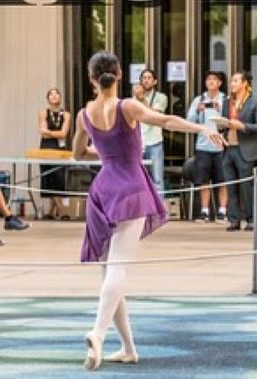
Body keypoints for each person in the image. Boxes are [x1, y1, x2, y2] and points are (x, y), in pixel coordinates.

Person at [73, 51, 226, 371]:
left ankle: (128, 348)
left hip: (103, 188)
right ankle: (98, 334)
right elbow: (166, 121)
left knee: (109, 272)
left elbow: (77, 153)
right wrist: (202, 129)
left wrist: (103, 151)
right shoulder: (127, 106)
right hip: (130, 186)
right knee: (116, 269)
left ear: (90, 78)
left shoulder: (84, 113)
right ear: (119, 75)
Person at [221, 70, 257, 231]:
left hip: (246, 150)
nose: (232, 84)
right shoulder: (228, 101)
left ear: (245, 83)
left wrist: (243, 126)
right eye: (232, 81)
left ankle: (251, 219)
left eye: (235, 81)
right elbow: (225, 123)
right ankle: (233, 219)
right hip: (228, 148)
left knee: (246, 186)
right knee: (231, 187)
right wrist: (221, 126)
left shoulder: (255, 101)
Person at [186, 71, 229, 222]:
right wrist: (198, 110)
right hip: (203, 145)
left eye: (214, 79)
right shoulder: (199, 100)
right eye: (208, 79)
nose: (211, 82)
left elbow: (229, 120)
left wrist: (219, 109)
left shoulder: (225, 99)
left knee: (223, 179)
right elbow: (189, 121)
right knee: (203, 180)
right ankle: (205, 210)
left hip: (221, 145)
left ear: (220, 83)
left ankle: (222, 211)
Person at [38, 88, 72, 218]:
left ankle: (52, 210)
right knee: (49, 177)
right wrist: (54, 133)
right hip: (46, 147)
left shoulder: (66, 115)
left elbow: (64, 133)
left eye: (56, 93)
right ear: (47, 98)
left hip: (60, 148)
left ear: (60, 97)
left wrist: (50, 132)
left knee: (59, 177)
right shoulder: (43, 113)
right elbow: (43, 133)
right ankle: (60, 210)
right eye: (51, 94)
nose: (54, 96)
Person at [134, 69, 168, 189]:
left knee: (157, 180)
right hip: (138, 143)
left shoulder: (161, 97)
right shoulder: (134, 99)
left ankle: (158, 202)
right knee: (138, 179)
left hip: (155, 143)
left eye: (149, 78)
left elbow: (155, 116)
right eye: (144, 78)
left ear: (155, 82)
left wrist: (142, 100)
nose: (146, 80)